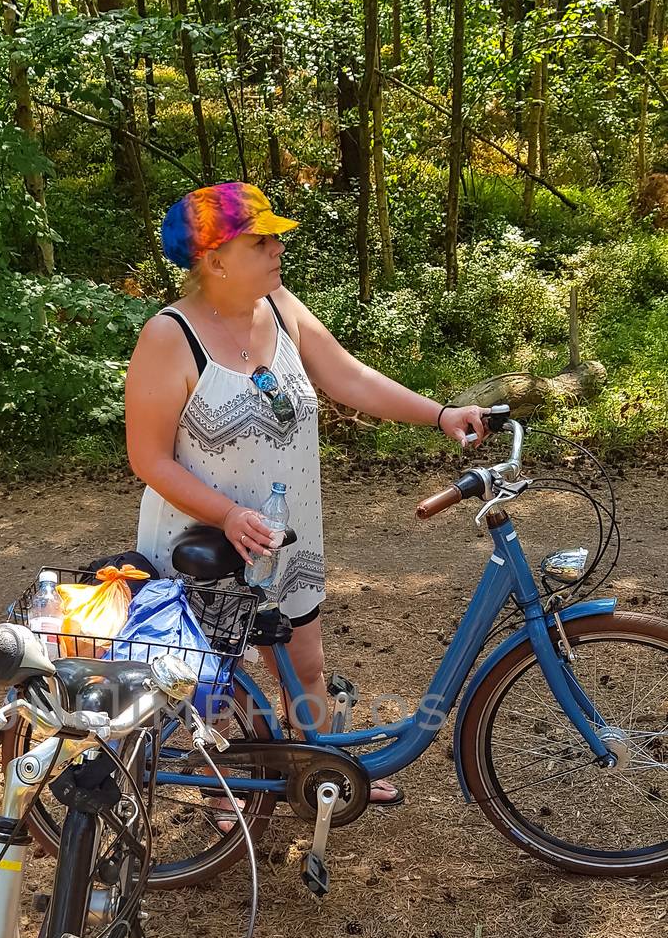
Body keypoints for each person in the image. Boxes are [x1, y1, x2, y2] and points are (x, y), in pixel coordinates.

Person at [126, 181, 486, 807]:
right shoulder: (169, 337)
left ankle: (319, 771)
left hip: (289, 536)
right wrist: (228, 514)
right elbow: (148, 457)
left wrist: (440, 414)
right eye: (260, 241)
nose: (277, 249)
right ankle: (223, 795)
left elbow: (347, 375)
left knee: (305, 665)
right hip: (208, 540)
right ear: (214, 259)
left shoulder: (281, 306)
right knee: (215, 682)